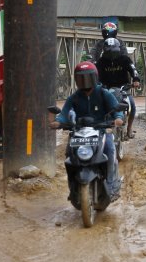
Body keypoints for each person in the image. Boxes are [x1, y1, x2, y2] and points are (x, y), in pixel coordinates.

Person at [50, 61, 123, 199]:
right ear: (76, 80)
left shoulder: (104, 94)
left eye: (88, 78)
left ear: (95, 77)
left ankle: (111, 184)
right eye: (81, 78)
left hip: (100, 131)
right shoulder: (74, 97)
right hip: (79, 132)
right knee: (69, 154)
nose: (85, 82)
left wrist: (118, 118)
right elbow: (64, 113)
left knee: (110, 148)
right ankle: (73, 187)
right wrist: (58, 122)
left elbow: (116, 109)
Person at [95, 37, 141, 138]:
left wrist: (136, 80)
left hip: (123, 87)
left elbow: (133, 69)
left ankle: (129, 129)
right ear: (105, 51)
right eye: (109, 52)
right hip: (106, 88)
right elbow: (95, 74)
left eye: (114, 52)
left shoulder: (124, 59)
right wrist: (96, 84)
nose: (112, 54)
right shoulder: (101, 62)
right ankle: (99, 126)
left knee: (132, 105)